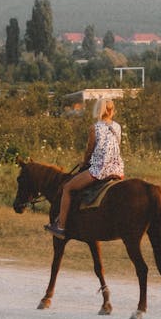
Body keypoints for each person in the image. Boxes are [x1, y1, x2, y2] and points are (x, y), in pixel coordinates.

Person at [46, 97, 125, 238]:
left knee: (68, 188)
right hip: (117, 169)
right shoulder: (117, 127)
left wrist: (84, 162)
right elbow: (116, 145)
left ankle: (61, 226)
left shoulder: (95, 128)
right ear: (111, 111)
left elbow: (90, 150)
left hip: (100, 169)